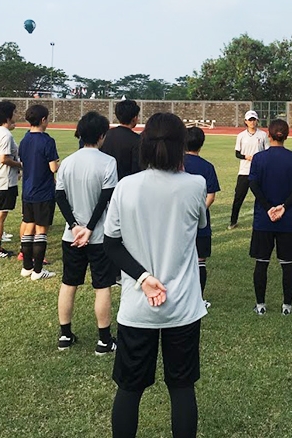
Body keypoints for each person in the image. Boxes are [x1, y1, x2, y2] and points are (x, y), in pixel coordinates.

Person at [104, 112, 207, 438]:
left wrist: (143, 277)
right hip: (183, 307)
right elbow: (199, 232)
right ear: (180, 147)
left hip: (137, 308)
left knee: (129, 388)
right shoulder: (195, 186)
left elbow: (111, 244)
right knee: (181, 386)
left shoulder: (126, 187)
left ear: (145, 145)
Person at [55, 112, 119, 355]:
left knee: (68, 283)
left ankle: (64, 335)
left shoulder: (68, 162)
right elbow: (106, 198)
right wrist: (90, 228)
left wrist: (74, 226)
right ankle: (104, 340)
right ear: (102, 136)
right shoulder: (108, 162)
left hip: (71, 236)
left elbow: (60, 197)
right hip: (99, 236)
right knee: (102, 286)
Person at [248, 119, 292, 316]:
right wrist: (283, 206)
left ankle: (260, 305)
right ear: (286, 135)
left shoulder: (258, 158)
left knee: (261, 262)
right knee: (287, 263)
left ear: (269, 135)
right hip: (286, 219)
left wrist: (268, 208)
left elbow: (253, 184)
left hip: (264, 219)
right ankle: (287, 306)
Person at [18, 104, 59, 280]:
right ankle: (38, 270)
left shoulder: (24, 140)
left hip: (28, 190)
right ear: (43, 120)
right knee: (41, 231)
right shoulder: (47, 141)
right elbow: (53, 167)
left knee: (28, 227)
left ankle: (26, 267)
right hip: (43, 191)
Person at [184, 126, 220, 308]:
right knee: (200, 261)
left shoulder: (176, 164)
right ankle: (198, 300)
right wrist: (198, 212)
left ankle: (179, 299)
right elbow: (211, 195)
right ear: (202, 144)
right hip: (201, 222)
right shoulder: (207, 167)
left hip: (178, 220)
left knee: (178, 260)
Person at [0, 101, 22, 258]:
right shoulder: (5, 134)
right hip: (4, 180)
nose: (16, 115)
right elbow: (4, 159)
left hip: (0, 179)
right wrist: (21, 165)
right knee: (0, 214)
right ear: (8, 115)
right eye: (14, 113)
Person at [228, 110, 269, 230]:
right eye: (249, 120)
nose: (252, 122)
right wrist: (246, 157)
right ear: (245, 121)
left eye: (254, 119)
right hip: (244, 171)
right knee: (238, 197)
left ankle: (263, 219)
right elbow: (237, 153)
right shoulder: (241, 136)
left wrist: (258, 159)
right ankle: (233, 221)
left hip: (259, 171)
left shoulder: (262, 135)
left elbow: (267, 152)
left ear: (257, 121)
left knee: (262, 197)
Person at [101, 99, 142, 180]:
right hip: (127, 184)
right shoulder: (138, 140)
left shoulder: (105, 136)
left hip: (105, 181)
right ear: (134, 118)